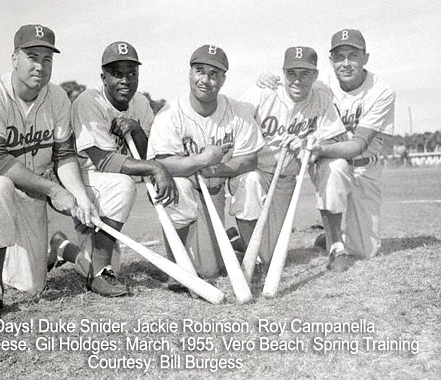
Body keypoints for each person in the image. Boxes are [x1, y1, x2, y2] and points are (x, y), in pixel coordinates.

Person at [0, 24, 98, 321]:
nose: (40, 65)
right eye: (32, 56)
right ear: (14, 58)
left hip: (30, 188)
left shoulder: (58, 97)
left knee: (33, 286)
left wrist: (79, 195)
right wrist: (53, 190)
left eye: (47, 59)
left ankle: (53, 247)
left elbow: (64, 155)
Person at [258, 30, 395, 271]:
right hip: (326, 163)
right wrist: (266, 81)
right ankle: (336, 244)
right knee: (335, 166)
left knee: (365, 250)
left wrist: (319, 148)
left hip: (363, 167)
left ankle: (331, 237)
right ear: (330, 60)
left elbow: (358, 145)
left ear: (366, 57)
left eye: (353, 56)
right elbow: (291, 83)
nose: (345, 63)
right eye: (339, 57)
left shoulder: (381, 91)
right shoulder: (320, 82)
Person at [49, 41, 178, 297]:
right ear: (103, 77)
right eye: (117, 74)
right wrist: (155, 168)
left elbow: (145, 155)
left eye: (132, 73)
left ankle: (61, 246)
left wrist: (138, 130)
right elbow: (103, 161)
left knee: (92, 261)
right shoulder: (88, 101)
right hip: (81, 181)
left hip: (108, 185)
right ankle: (100, 275)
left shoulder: (140, 104)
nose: (126, 80)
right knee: (123, 184)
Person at [146, 44, 265, 282]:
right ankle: (178, 267)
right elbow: (162, 165)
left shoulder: (237, 110)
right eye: (200, 71)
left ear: (222, 79)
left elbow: (250, 160)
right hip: (188, 192)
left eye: (214, 74)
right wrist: (202, 159)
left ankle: (254, 257)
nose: (206, 80)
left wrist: (214, 168)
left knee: (251, 180)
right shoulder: (170, 113)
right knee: (207, 270)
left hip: (218, 188)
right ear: (190, 73)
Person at [241, 46, 346, 266]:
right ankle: (248, 250)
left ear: (315, 75)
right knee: (248, 182)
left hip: (285, 180)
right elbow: (233, 127)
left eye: (304, 73)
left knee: (270, 256)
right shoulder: (261, 94)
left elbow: (336, 139)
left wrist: (311, 144)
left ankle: (335, 243)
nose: (297, 80)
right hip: (258, 173)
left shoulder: (321, 98)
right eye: (291, 73)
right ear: (283, 73)